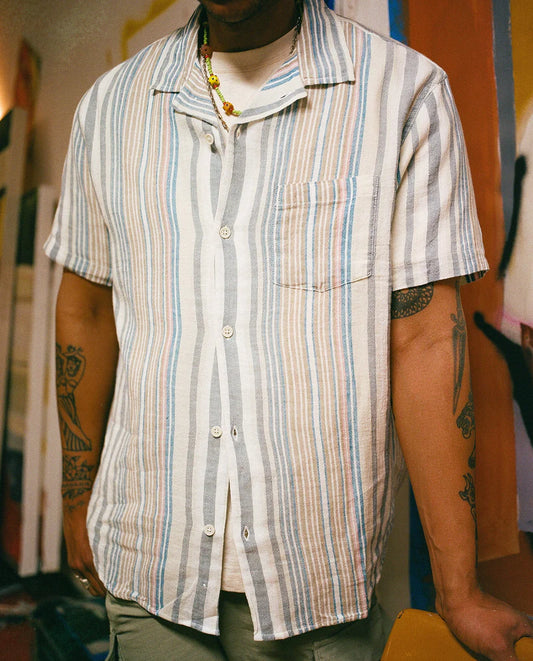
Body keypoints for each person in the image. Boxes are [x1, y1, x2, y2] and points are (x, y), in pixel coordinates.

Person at [45, 0, 533, 659]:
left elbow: (423, 339)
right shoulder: (109, 108)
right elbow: (85, 308)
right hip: (146, 568)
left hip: (317, 590)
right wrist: (78, 499)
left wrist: (459, 590)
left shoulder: (402, 93)